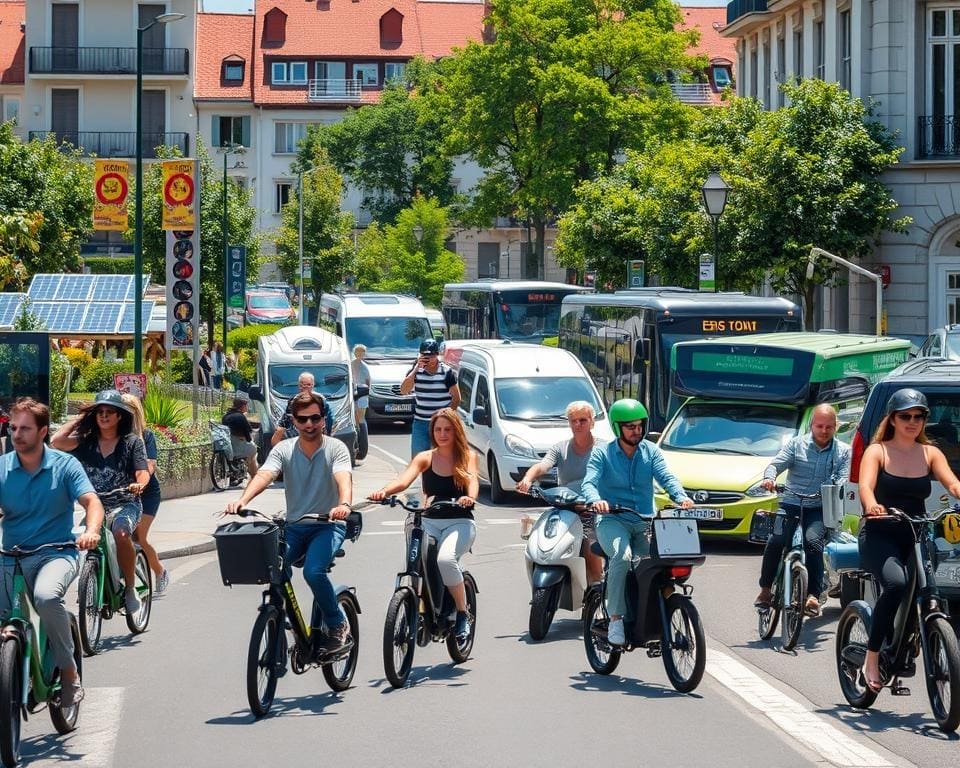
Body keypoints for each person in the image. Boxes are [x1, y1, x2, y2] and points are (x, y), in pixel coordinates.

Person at [226, 392, 354, 655]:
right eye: (302, 419)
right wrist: (243, 500)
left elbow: (343, 478)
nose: (309, 424)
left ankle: (337, 624)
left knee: (313, 572)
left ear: (323, 419)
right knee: (273, 570)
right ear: (294, 421)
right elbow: (265, 474)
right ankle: (283, 618)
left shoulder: (336, 448)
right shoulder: (284, 448)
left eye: (315, 418)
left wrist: (343, 505)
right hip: (294, 526)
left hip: (327, 525)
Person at [0, 398, 104, 707]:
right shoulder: (3, 468)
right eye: (13, 428)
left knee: (46, 597)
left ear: (43, 431)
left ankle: (69, 673)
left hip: (54, 553)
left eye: (26, 429)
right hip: (9, 555)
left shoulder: (65, 465)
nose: (17, 435)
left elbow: (91, 501)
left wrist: (92, 531)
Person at [858, 389, 960, 692]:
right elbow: (865, 486)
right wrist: (872, 505)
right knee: (897, 584)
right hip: (880, 532)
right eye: (906, 416)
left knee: (930, 590)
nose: (912, 421)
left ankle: (917, 638)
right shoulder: (877, 451)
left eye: (919, 416)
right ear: (893, 418)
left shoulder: (930, 453)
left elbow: (952, 482)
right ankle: (872, 657)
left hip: (915, 534)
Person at [580, 398, 693, 647]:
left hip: (645, 522)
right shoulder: (603, 452)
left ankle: (656, 617)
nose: (637, 431)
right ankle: (617, 619)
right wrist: (596, 499)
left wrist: (681, 497)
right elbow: (589, 481)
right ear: (618, 427)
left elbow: (666, 477)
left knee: (655, 568)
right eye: (630, 426)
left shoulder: (651, 452)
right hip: (612, 521)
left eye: (640, 425)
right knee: (622, 556)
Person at [368, 408, 478, 639]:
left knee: (445, 560)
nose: (443, 434)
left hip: (459, 522)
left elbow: (472, 481)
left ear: (456, 431)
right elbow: (403, 480)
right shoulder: (425, 457)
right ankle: (420, 606)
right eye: (438, 429)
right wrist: (383, 491)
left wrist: (469, 497)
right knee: (419, 561)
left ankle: (461, 613)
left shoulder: (467, 456)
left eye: (448, 429)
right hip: (429, 521)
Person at [50, 390, 150, 616]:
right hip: (95, 507)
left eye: (109, 412)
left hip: (126, 503)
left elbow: (143, 472)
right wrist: (81, 416)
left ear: (119, 416)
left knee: (121, 533)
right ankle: (97, 578)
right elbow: (56, 441)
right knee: (88, 541)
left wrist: (138, 485)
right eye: (100, 412)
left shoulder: (131, 442)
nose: (104, 416)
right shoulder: (86, 442)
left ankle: (131, 589)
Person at [754, 404, 851, 617]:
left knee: (814, 543)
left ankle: (814, 596)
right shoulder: (796, 445)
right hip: (790, 502)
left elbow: (844, 477)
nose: (824, 431)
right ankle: (765, 591)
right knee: (776, 541)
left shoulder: (843, 451)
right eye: (819, 426)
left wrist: (834, 485)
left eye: (829, 427)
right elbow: (775, 465)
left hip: (819, 507)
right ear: (811, 425)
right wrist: (769, 478)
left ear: (836, 427)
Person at [516, 400, 605, 584]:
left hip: (591, 509)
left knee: (591, 546)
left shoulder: (604, 448)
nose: (578, 425)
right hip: (565, 508)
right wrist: (528, 478)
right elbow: (543, 465)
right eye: (573, 420)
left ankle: (598, 588)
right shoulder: (560, 448)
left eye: (583, 420)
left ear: (592, 422)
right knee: (540, 538)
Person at [121, 393, 170, 594]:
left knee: (138, 537)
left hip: (147, 493)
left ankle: (159, 571)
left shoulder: (146, 436)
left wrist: (140, 481)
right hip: (120, 492)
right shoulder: (113, 435)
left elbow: (150, 464)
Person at [400, 339, 461, 457]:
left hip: (441, 424)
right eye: (425, 355)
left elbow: (456, 398)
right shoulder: (417, 371)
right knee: (419, 458)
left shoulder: (446, 372)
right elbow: (403, 390)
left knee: (441, 458)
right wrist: (416, 369)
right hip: (421, 422)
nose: (429, 359)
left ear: (437, 355)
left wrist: (447, 418)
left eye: (431, 355)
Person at [271, 372, 331, 446]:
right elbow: (283, 424)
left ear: (313, 385)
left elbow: (326, 423)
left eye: (309, 385)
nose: (306, 387)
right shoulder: (293, 401)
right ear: (299, 386)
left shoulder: (321, 400)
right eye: (303, 385)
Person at [222, 394, 259, 481]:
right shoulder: (241, 417)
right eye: (246, 405)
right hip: (237, 446)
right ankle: (254, 476)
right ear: (242, 406)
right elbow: (248, 433)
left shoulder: (225, 416)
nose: (247, 407)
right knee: (253, 450)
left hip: (228, 446)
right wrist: (250, 441)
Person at [351, 344, 371, 428]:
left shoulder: (365, 367)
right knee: (354, 418)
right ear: (354, 353)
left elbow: (368, 382)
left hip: (362, 393)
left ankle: (363, 437)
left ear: (364, 353)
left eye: (362, 352)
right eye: (357, 351)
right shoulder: (350, 364)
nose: (359, 353)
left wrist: (366, 391)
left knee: (361, 419)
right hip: (352, 393)